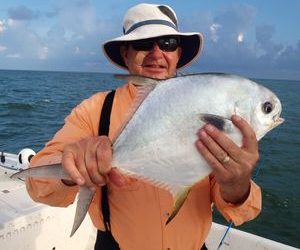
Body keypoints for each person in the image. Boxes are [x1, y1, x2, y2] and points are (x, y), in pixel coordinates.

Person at [26, 3, 261, 250]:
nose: (157, 53)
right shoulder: (95, 110)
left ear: (178, 54)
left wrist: (237, 183)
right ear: (125, 53)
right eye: (143, 43)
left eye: (168, 43)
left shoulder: (208, 108)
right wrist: (71, 169)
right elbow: (38, 185)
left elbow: (243, 212)